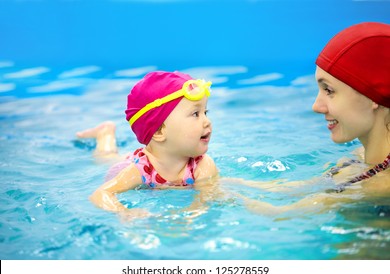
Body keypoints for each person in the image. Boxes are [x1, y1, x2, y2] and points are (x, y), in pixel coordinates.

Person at [238, 22, 390, 215]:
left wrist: (214, 196)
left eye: (329, 90)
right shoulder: (360, 158)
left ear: (373, 96)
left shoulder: (380, 186)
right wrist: (228, 183)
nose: (316, 106)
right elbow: (297, 189)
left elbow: (279, 215)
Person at [77, 71, 219, 220]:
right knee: (106, 157)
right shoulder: (140, 171)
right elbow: (100, 194)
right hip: (127, 162)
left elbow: (206, 198)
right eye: (196, 113)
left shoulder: (202, 165)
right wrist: (123, 211)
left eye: (205, 112)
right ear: (158, 131)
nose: (207, 121)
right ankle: (105, 133)